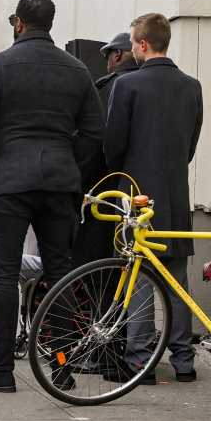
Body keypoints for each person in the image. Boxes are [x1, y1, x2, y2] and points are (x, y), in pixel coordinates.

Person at [0, 0, 104, 393]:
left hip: (9, 179)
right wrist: (70, 164)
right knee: (59, 271)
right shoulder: (76, 69)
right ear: (50, 23)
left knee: (4, 274)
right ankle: (61, 365)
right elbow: (95, 131)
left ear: (19, 23)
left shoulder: (0, 65)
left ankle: (2, 369)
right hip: (59, 180)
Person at [105, 12, 204, 383]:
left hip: (137, 192)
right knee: (177, 278)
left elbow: (113, 144)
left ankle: (139, 360)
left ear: (143, 44)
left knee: (140, 276)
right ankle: (184, 360)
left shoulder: (127, 85)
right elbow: (190, 145)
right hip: (175, 191)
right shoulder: (191, 86)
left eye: (133, 42)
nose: (131, 48)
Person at [71, 31, 139, 269]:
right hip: (146, 193)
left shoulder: (108, 87)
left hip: (106, 191)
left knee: (98, 261)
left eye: (108, 57)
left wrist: (79, 185)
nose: (107, 63)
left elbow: (93, 142)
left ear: (117, 55)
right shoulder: (156, 87)